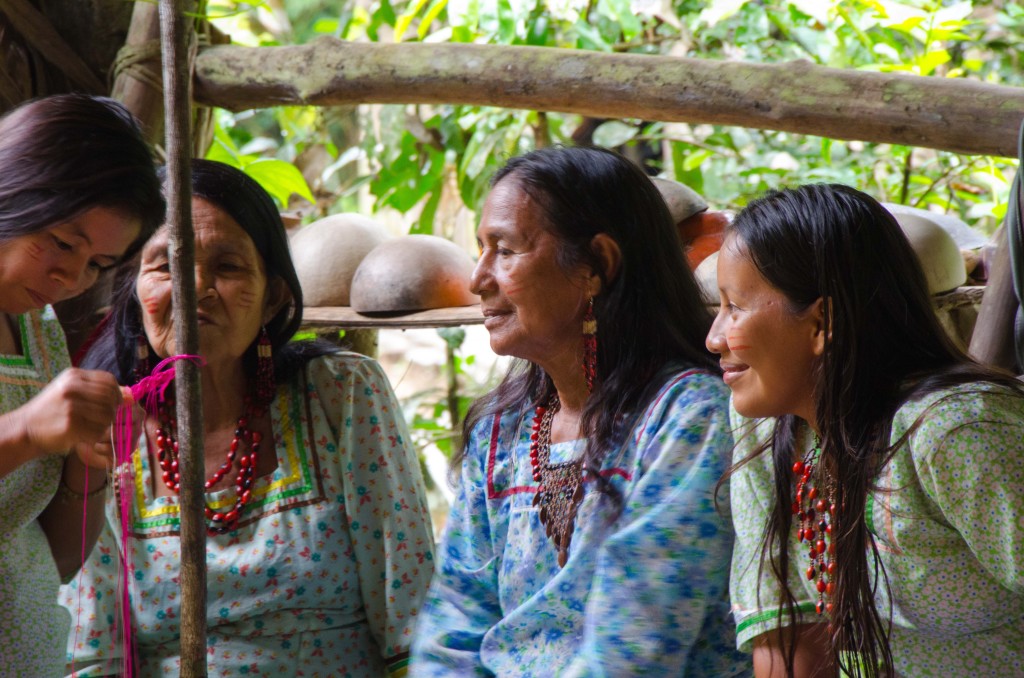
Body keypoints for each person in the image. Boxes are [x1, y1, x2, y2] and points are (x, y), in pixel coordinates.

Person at [61, 159, 435, 676]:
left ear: (273, 297)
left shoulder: (341, 395)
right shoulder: (107, 429)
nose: (195, 288)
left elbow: (412, 620)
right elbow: (90, 653)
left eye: (229, 267)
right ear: (134, 288)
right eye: (166, 265)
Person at [411, 146, 749, 676]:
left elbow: (637, 645)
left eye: (504, 250)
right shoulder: (502, 432)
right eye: (481, 249)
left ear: (595, 265)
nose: (478, 278)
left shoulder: (687, 418)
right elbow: (455, 619)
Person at [707, 183, 1024, 677]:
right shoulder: (770, 425)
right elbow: (789, 640)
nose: (714, 338)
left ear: (822, 322)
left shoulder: (957, 433)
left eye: (735, 307)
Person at [0, 93, 163, 676]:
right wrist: (23, 431)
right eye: (64, 242)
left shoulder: (36, 329)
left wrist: (86, 465)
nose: (71, 276)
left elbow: (58, 559)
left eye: (97, 264)